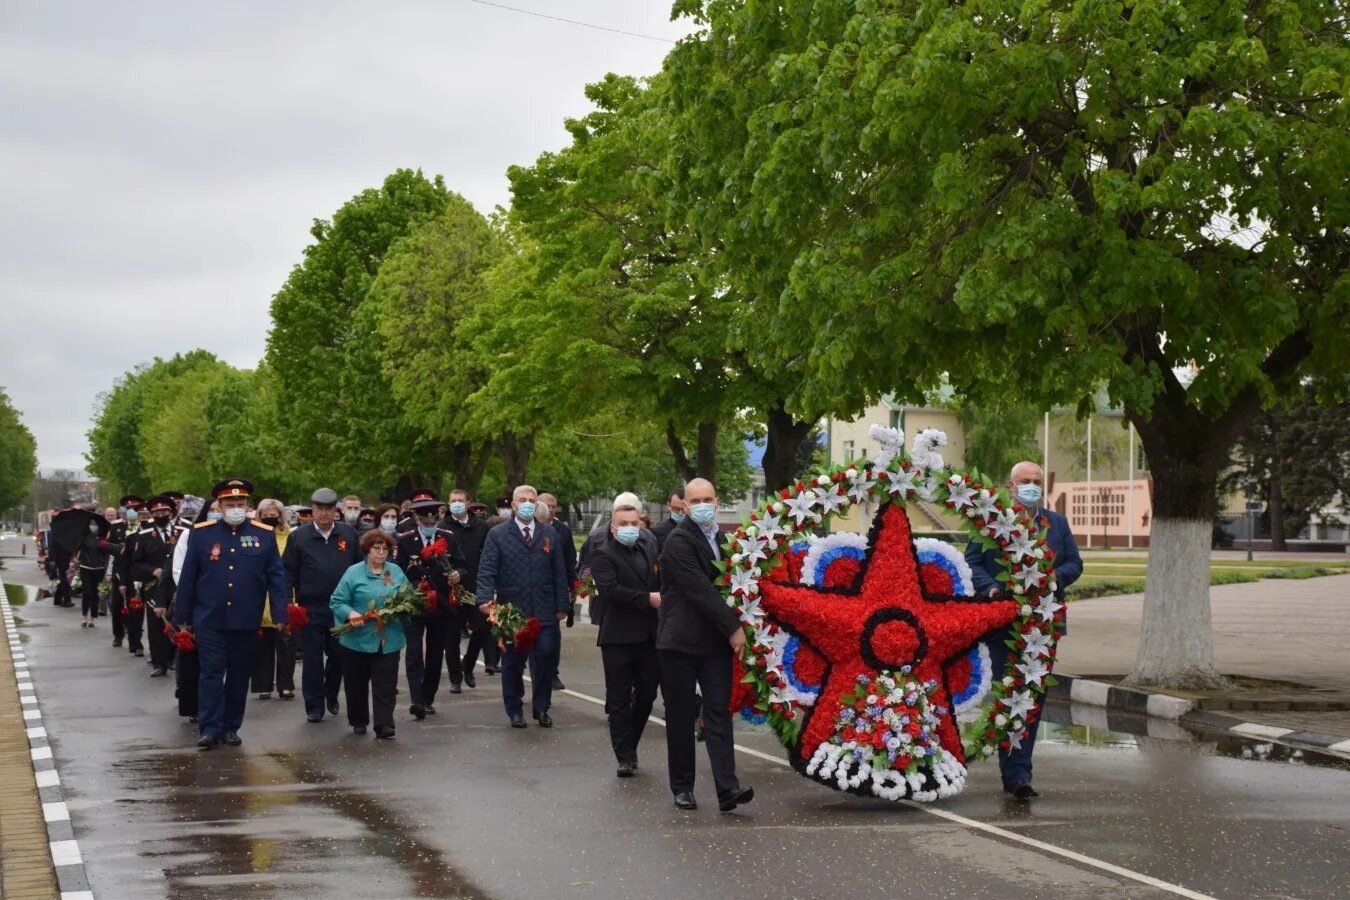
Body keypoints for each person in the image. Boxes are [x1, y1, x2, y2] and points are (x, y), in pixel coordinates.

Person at [964, 460, 1083, 800]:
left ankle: (1020, 773)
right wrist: (992, 589)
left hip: (1042, 626)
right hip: (1003, 623)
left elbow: (1075, 562)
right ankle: (1011, 769)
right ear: (1010, 486)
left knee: (1031, 699)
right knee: (1009, 695)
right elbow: (971, 563)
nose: (1032, 486)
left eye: (1037, 481)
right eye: (1025, 481)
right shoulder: (990, 523)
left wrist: (1052, 578)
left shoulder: (1055, 523)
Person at [657, 477, 753, 812]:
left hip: (713, 644)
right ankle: (682, 787)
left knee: (718, 713)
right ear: (683, 505)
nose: (701, 505)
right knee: (681, 717)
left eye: (707, 499)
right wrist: (734, 627)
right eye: (694, 500)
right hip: (680, 642)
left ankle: (728, 788)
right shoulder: (677, 541)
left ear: (716, 501)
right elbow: (700, 589)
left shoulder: (724, 539)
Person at [173, 478, 290, 750]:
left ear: (247, 505)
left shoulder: (262, 535)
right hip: (209, 618)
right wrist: (182, 618)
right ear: (220, 506)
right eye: (230, 504)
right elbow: (189, 577)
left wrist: (281, 613)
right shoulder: (202, 533)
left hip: (245, 618)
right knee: (211, 673)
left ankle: (230, 727)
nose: (235, 508)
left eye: (240, 503)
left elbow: (276, 577)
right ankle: (209, 728)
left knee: (239, 675)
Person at [476, 484, 569, 728]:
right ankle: (514, 708)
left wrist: (562, 604)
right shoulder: (497, 535)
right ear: (514, 505)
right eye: (523, 500)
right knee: (513, 661)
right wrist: (485, 598)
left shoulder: (549, 533)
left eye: (532, 499)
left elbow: (559, 572)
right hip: (512, 610)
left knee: (546, 656)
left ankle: (541, 707)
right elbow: (486, 570)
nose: (528, 503)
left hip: (545, 607)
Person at [590, 497, 662, 778]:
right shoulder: (603, 554)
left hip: (648, 635)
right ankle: (624, 756)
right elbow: (610, 590)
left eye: (634, 523)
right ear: (613, 527)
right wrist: (648, 599)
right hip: (618, 636)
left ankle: (630, 743)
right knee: (618, 698)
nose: (630, 528)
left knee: (646, 695)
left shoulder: (648, 547)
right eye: (624, 524)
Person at [283, 487, 361, 723]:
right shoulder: (299, 536)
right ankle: (314, 704)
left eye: (329, 509)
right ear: (313, 510)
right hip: (311, 607)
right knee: (312, 658)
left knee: (339, 656)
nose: (324, 514)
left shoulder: (348, 534)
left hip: (341, 607)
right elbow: (288, 572)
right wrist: (289, 602)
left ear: (335, 511)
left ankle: (331, 693)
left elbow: (359, 569)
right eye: (319, 509)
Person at [395, 489, 469, 719]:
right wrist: (414, 586)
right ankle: (417, 699)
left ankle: (428, 697)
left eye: (432, 519)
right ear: (416, 520)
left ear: (437, 518)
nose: (428, 524)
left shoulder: (448, 537)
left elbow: (462, 565)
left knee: (436, 652)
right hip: (415, 602)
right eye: (423, 520)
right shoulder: (406, 540)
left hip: (442, 604)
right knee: (414, 651)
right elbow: (398, 570)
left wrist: (458, 574)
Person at [330, 529, 409, 739]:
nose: (381, 553)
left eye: (385, 549)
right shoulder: (353, 573)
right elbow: (337, 601)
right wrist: (351, 613)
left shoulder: (396, 571)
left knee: (386, 684)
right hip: (356, 639)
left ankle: (384, 724)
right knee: (356, 683)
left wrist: (405, 607)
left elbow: (408, 596)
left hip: (388, 638)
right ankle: (358, 719)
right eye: (377, 548)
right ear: (367, 550)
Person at [440, 489, 498, 679]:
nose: (457, 503)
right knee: (452, 635)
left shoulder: (481, 527)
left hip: (476, 585)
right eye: (453, 501)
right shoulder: (443, 527)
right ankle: (455, 677)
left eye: (460, 500)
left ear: (468, 503)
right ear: (448, 504)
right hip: (451, 588)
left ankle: (469, 663)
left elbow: (490, 553)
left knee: (482, 627)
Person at [251, 498, 296, 700]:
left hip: (285, 593)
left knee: (286, 643)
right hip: (259, 595)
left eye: (273, 514)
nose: (270, 518)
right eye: (266, 515)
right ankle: (263, 685)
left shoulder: (291, 536)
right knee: (262, 644)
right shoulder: (252, 536)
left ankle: (286, 685)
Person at [130, 495, 179, 676]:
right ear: (152, 514)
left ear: (170, 512)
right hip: (154, 585)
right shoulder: (143, 536)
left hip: (176, 585)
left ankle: (174, 657)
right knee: (156, 624)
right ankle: (159, 663)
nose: (161, 514)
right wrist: (152, 571)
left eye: (164, 511)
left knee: (177, 620)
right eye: (157, 512)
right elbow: (136, 564)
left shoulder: (181, 532)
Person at [536, 491, 577, 689]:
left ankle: (552, 673)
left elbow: (569, 562)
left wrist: (572, 588)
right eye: (547, 505)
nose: (551, 509)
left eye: (554, 505)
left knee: (553, 635)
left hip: (555, 590)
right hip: (532, 590)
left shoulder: (562, 530)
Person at [116, 496, 149, 657]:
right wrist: (122, 582)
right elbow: (124, 562)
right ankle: (136, 644)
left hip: (151, 580)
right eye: (142, 516)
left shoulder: (156, 536)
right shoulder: (131, 538)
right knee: (135, 615)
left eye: (147, 516)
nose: (145, 519)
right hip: (133, 581)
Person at [76, 518, 117, 628]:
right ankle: (84, 616)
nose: (93, 526)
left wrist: (107, 569)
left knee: (95, 593)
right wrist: (76, 558)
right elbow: (78, 549)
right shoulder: (84, 536)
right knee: (87, 592)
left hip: (98, 568)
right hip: (85, 567)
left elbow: (108, 553)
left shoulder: (103, 537)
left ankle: (92, 618)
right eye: (91, 524)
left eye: (95, 524)